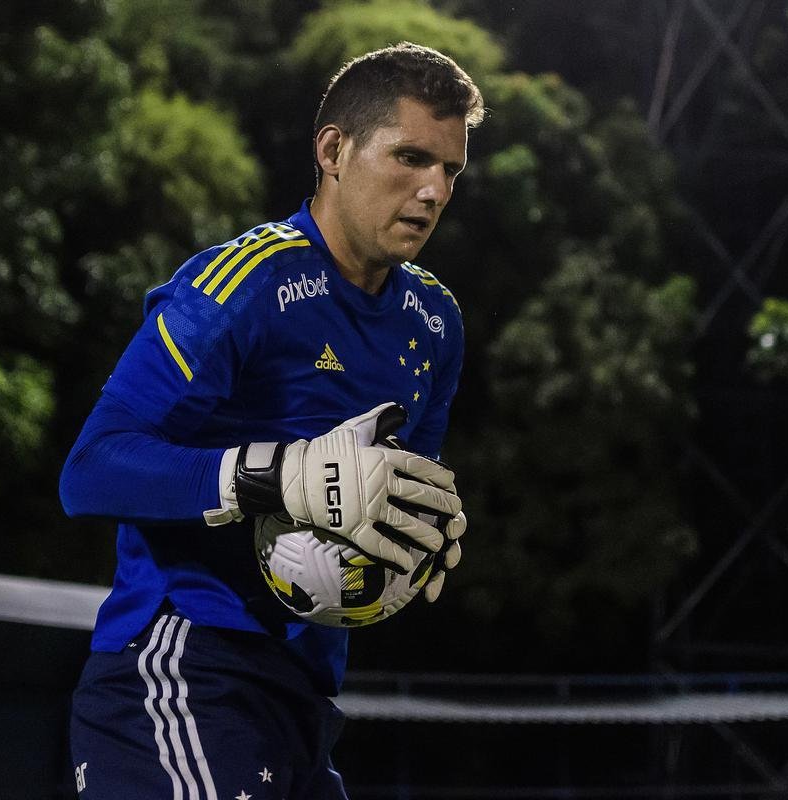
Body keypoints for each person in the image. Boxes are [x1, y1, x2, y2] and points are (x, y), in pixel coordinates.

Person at [60, 42, 484, 800]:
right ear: (333, 150)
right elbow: (91, 468)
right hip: (182, 669)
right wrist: (273, 476)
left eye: (450, 170)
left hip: (305, 697)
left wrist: (417, 536)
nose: (433, 191)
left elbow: (393, 490)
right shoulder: (245, 283)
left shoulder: (435, 322)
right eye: (411, 157)